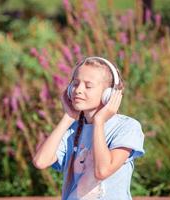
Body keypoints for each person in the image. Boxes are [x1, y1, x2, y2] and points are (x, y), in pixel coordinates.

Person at [33, 56, 145, 200]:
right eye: (75, 83)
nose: (78, 90)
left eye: (88, 86)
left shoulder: (127, 127)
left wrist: (98, 122)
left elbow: (102, 171)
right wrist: (68, 117)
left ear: (108, 94)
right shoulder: (71, 130)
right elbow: (40, 161)